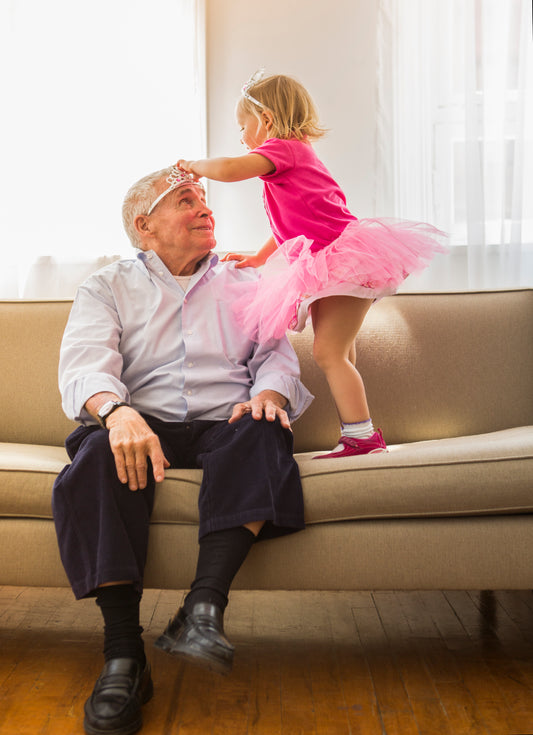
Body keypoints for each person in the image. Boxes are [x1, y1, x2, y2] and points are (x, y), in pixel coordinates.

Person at [52, 165, 312, 735]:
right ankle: (123, 656)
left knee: (265, 429)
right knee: (95, 456)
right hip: (143, 424)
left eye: (204, 199)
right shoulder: (107, 286)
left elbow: (276, 359)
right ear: (145, 226)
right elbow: (85, 365)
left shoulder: (246, 281)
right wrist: (117, 413)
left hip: (227, 422)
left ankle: (202, 609)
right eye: (186, 199)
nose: (205, 208)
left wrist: (268, 395)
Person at [177, 71, 448, 459]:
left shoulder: (283, 148)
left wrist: (194, 165)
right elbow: (293, 226)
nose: (241, 136)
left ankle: (363, 438)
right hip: (331, 264)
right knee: (340, 352)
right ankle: (355, 433)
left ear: (266, 120)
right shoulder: (292, 158)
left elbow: (231, 170)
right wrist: (259, 257)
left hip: (342, 262)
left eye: (243, 127)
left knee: (328, 353)